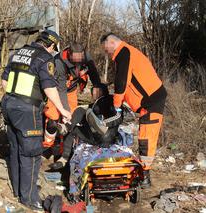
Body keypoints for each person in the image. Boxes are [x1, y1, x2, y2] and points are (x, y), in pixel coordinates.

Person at [1, 29, 71, 210]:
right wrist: (63, 110)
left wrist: (14, 99)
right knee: (31, 154)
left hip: (9, 104)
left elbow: (4, 80)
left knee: (16, 149)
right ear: (51, 45)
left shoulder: (18, 53)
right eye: (54, 48)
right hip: (28, 110)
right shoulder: (44, 59)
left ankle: (19, 191)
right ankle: (30, 198)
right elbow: (49, 88)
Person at [100, 33, 167, 188]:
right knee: (145, 136)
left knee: (146, 138)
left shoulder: (124, 52)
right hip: (149, 100)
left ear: (112, 42)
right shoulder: (125, 53)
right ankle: (144, 174)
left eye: (106, 48)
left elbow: (122, 82)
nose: (106, 52)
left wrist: (117, 106)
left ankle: (145, 177)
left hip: (152, 100)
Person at [42, 42, 103, 160]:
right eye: (75, 59)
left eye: (80, 58)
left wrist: (97, 86)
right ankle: (47, 147)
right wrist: (65, 111)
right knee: (53, 117)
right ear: (69, 54)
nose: (78, 61)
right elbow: (61, 90)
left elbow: (94, 73)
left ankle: (63, 149)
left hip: (72, 89)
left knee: (71, 119)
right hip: (55, 89)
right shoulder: (59, 63)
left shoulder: (85, 57)